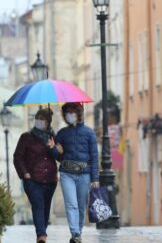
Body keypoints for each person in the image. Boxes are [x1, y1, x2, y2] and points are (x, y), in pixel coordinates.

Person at [13, 108, 62, 243]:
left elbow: (60, 158)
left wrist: (52, 147)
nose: (39, 121)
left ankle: (42, 233)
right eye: (37, 118)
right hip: (32, 179)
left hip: (50, 179)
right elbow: (18, 157)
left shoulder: (53, 137)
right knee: (38, 205)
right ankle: (41, 235)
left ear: (48, 122)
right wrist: (25, 174)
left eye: (42, 119)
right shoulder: (26, 137)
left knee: (45, 207)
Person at [55, 102, 99, 243]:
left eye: (73, 112)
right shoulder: (61, 133)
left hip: (84, 175)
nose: (70, 115)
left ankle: (78, 232)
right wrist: (56, 150)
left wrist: (95, 178)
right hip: (66, 174)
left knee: (81, 206)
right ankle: (74, 233)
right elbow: (57, 156)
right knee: (71, 204)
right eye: (68, 112)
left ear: (79, 114)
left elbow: (94, 156)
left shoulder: (89, 132)